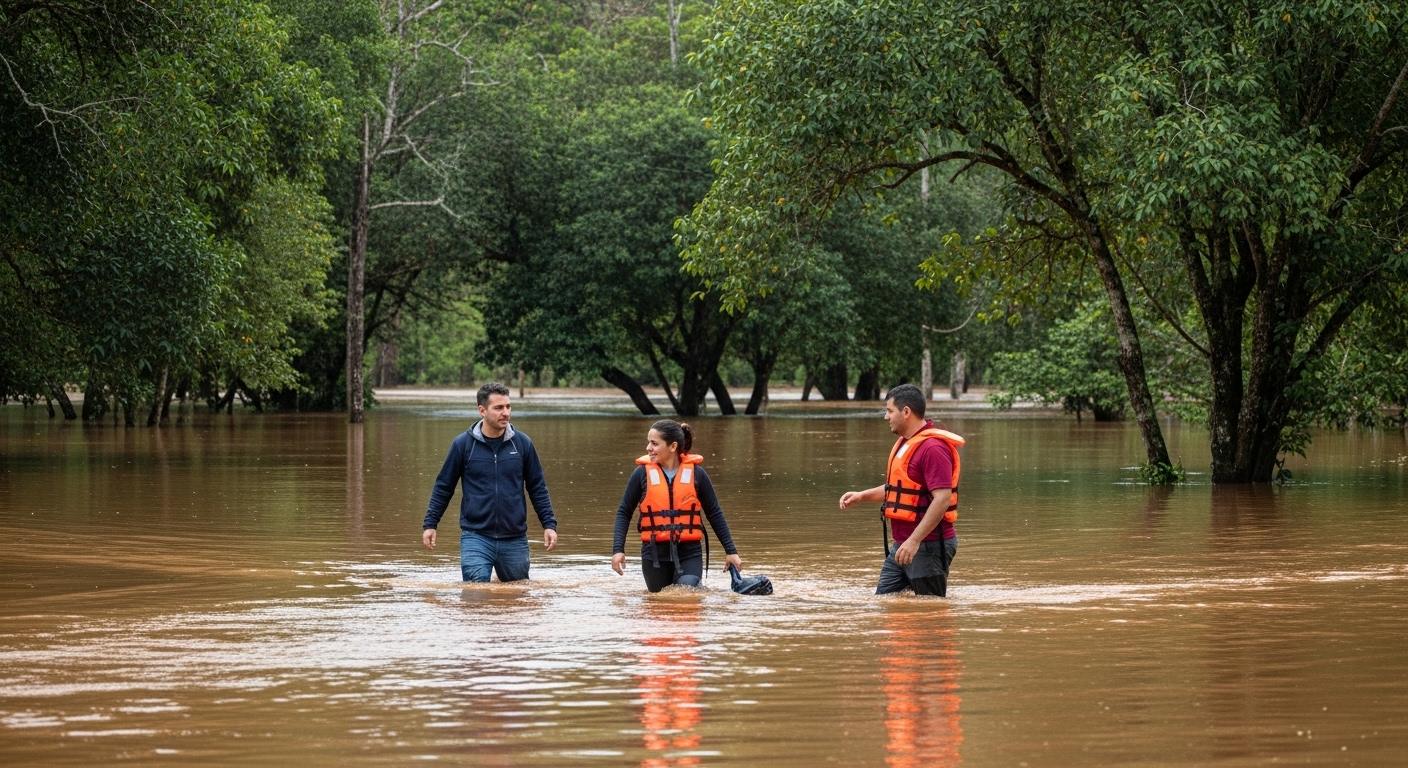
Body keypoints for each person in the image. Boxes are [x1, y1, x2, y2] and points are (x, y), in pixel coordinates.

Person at [422, 382, 558, 582]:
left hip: (514, 537)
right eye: (498, 408)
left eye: (508, 407)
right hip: (475, 537)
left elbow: (537, 488)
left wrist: (549, 524)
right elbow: (444, 487)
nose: (505, 413)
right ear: (482, 410)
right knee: (475, 596)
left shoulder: (522, 444)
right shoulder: (463, 445)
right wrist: (430, 524)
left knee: (518, 597)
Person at [839, 383, 963, 596]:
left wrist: (914, 541)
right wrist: (862, 496)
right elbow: (897, 489)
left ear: (906, 412)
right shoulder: (906, 443)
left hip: (927, 546)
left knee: (931, 612)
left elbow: (942, 499)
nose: (886, 417)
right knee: (884, 602)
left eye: (889, 411)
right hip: (903, 546)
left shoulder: (933, 448)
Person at [611, 419, 742, 592]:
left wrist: (731, 551)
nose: (648, 448)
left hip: (690, 552)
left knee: (687, 590)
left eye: (654, 443)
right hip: (654, 555)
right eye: (648, 442)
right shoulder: (641, 474)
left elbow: (714, 513)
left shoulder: (697, 474)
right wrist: (618, 550)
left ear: (672, 447)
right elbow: (624, 512)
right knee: (661, 607)